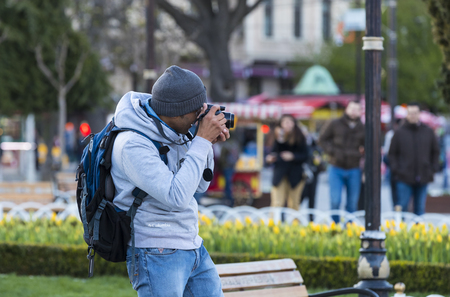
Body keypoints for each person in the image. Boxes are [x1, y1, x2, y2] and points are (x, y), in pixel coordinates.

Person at [110, 65, 229, 297]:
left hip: (191, 243)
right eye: (196, 112)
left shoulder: (176, 129)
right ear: (177, 113)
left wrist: (205, 144)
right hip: (156, 249)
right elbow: (176, 197)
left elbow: (200, 185)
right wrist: (201, 140)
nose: (200, 117)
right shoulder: (132, 143)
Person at [388, 103, 440, 215]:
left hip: (423, 176)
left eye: (415, 113)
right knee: (403, 208)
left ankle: (418, 232)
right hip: (404, 177)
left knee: (420, 209)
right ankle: (401, 232)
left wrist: (433, 168)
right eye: (410, 113)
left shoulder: (428, 131)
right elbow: (392, 154)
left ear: (419, 114)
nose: (413, 115)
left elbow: (435, 151)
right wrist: (397, 170)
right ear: (406, 115)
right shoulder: (399, 132)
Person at [318, 101, 365, 222]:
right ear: (346, 109)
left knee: (352, 203)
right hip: (336, 167)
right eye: (352, 108)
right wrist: (332, 152)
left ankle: (349, 230)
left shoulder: (363, 127)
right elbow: (322, 140)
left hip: (354, 168)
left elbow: (368, 148)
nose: (354, 112)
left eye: (357, 109)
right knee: (335, 201)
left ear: (360, 112)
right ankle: (335, 228)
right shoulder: (335, 123)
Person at [266, 114, 308, 211]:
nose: (288, 124)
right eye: (285, 122)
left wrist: (293, 156)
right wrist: (270, 158)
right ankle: (274, 225)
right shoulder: (276, 135)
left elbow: (306, 155)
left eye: (290, 122)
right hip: (280, 173)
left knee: (294, 204)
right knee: (277, 202)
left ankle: (294, 225)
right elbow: (272, 152)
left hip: (295, 175)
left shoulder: (300, 136)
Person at [218, 136, 241, 207]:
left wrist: (221, 166)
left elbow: (221, 158)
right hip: (232, 166)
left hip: (226, 166)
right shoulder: (235, 144)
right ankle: (230, 199)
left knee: (227, 183)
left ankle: (229, 199)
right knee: (229, 182)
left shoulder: (225, 145)